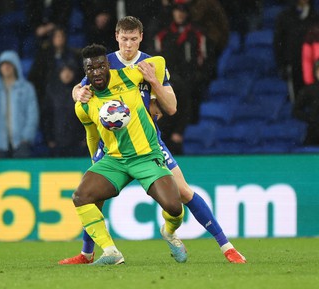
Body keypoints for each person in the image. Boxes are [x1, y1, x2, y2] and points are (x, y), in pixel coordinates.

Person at [59, 16, 246, 265]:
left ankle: (226, 246)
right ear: (116, 37)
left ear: (141, 38)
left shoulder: (150, 64)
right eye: (124, 39)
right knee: (93, 197)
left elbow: (171, 107)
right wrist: (76, 92)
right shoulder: (105, 64)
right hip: (112, 145)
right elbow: (80, 90)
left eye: (133, 39)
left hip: (147, 143)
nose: (128, 45)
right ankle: (87, 253)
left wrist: (154, 82)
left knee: (183, 193)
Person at [72, 43, 187, 265]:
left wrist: (154, 87)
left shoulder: (126, 76)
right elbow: (91, 136)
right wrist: (94, 162)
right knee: (81, 196)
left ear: (108, 65)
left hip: (146, 155)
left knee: (174, 207)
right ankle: (110, 252)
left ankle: (170, 232)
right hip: (115, 161)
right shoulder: (84, 104)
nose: (96, 72)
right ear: (85, 73)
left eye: (100, 66)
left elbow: (160, 62)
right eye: (90, 69)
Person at [155, 1, 213, 154]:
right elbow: (156, 60)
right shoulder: (163, 35)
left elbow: (204, 60)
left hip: (189, 86)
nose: (179, 14)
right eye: (177, 10)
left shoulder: (197, 34)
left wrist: (195, 79)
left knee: (182, 120)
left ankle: (178, 138)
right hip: (166, 84)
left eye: (183, 11)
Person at [0, 50, 39, 158]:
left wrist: (26, 137)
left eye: (9, 64)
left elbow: (32, 115)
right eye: (3, 64)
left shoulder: (27, 89)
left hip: (21, 143)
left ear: (15, 66)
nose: (6, 67)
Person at [274, 0, 318, 102]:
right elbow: (278, 44)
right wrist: (282, 65)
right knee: (298, 102)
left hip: (314, 68)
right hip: (293, 67)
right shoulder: (284, 17)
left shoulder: (316, 18)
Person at [294, 60, 319, 145]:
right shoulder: (309, 90)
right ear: (315, 72)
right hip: (314, 131)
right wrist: (311, 118)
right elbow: (296, 110)